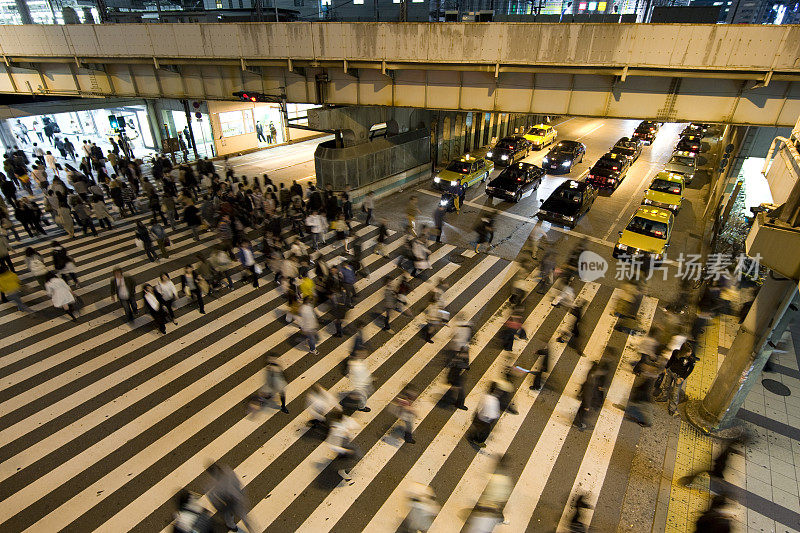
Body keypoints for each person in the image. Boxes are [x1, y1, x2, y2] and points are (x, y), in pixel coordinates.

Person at [206, 462, 255, 533]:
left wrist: (218, 507)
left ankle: (232, 526)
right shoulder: (228, 473)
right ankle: (237, 527)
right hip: (233, 500)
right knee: (243, 517)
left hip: (229, 502)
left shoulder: (213, 483)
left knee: (230, 516)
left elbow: (212, 497)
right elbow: (238, 484)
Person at [655, 342, 699, 415]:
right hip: (671, 372)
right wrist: (666, 368)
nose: (690, 353)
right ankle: (663, 397)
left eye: (690, 351)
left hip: (679, 377)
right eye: (688, 352)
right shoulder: (676, 352)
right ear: (683, 351)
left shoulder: (691, 359)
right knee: (666, 386)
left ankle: (672, 408)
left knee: (675, 393)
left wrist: (682, 378)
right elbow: (671, 360)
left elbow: (690, 370)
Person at [326, 412, 362, 481]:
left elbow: (354, 425)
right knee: (347, 459)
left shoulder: (344, 421)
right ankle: (341, 470)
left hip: (346, 443)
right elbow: (332, 446)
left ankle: (342, 465)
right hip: (342, 447)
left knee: (357, 455)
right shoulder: (334, 431)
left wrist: (348, 430)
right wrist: (345, 451)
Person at [468, 383, 501, 447]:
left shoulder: (485, 396)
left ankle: (473, 437)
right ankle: (477, 441)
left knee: (480, 429)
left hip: (478, 415)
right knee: (485, 432)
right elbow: (492, 415)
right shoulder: (493, 401)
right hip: (484, 420)